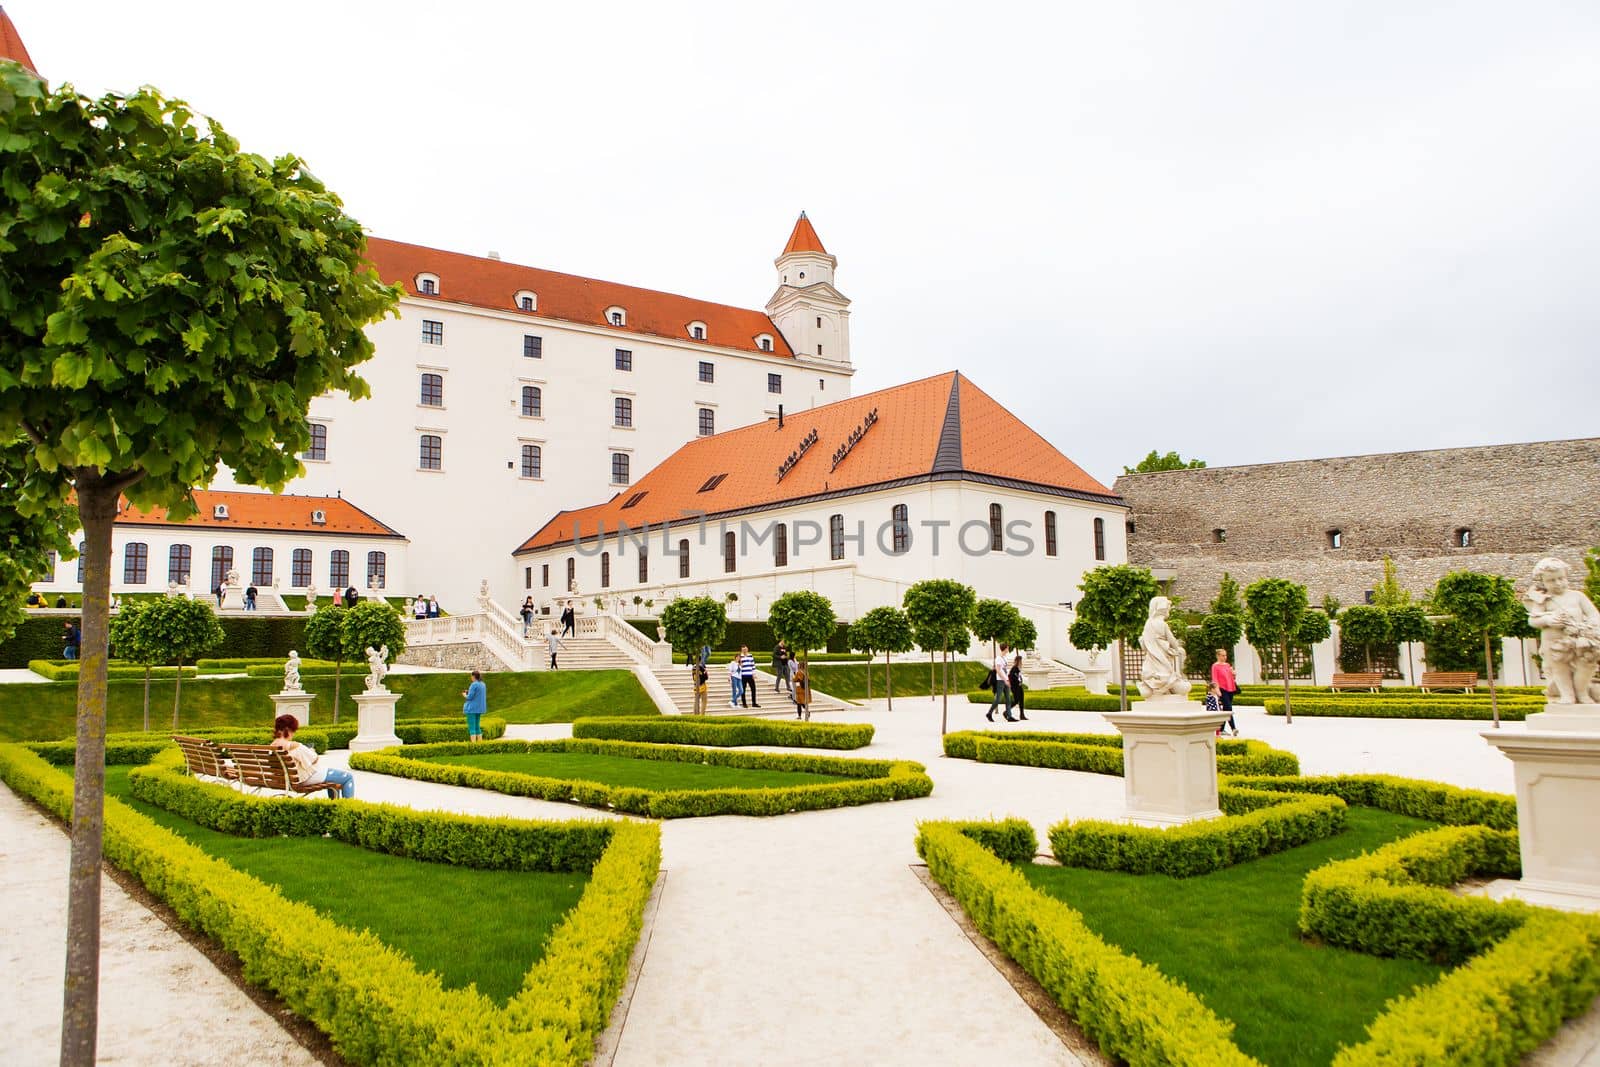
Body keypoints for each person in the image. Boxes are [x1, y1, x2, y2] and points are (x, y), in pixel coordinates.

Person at [270, 714, 355, 798]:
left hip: (285, 780)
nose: (293, 734)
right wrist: (311, 751)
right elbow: (314, 759)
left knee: (334, 780)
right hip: (304, 779)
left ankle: (334, 805)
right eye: (293, 731)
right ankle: (348, 808)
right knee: (348, 778)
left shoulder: (272, 746)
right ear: (287, 730)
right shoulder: (295, 746)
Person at [1211, 649, 1239, 724]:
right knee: (1229, 708)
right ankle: (1233, 728)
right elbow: (1215, 679)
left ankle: (1221, 728)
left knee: (1226, 709)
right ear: (1218, 656)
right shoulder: (1215, 666)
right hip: (1222, 689)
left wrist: (1234, 674)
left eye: (1225, 655)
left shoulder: (1227, 665)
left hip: (1230, 688)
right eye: (1223, 655)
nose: (1225, 657)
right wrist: (1217, 690)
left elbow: (1231, 678)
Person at [987, 643, 1012, 722]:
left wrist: (1008, 679)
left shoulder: (1005, 657)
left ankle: (1009, 716)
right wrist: (1005, 680)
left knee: (1008, 699)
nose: (1008, 649)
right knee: (998, 699)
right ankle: (989, 713)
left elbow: (1005, 670)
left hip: (1006, 680)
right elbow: (998, 670)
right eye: (1008, 648)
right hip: (1000, 681)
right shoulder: (998, 658)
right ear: (1005, 648)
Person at [461, 670, 487, 741]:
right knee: (477, 727)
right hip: (479, 708)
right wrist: (469, 692)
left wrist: (464, 695)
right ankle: (480, 744)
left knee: (472, 727)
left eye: (471, 676)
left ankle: (473, 745)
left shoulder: (474, 684)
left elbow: (469, 697)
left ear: (473, 676)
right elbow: (477, 694)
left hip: (472, 708)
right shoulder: (483, 684)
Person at [1009, 654, 1028, 721]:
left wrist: (1020, 681)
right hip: (1015, 687)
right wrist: (1017, 682)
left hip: (1019, 686)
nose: (1021, 662)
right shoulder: (1014, 668)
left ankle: (1022, 715)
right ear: (1018, 661)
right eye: (1020, 661)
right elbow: (1011, 677)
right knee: (1016, 700)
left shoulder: (1018, 668)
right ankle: (1006, 711)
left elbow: (1019, 677)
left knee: (1021, 700)